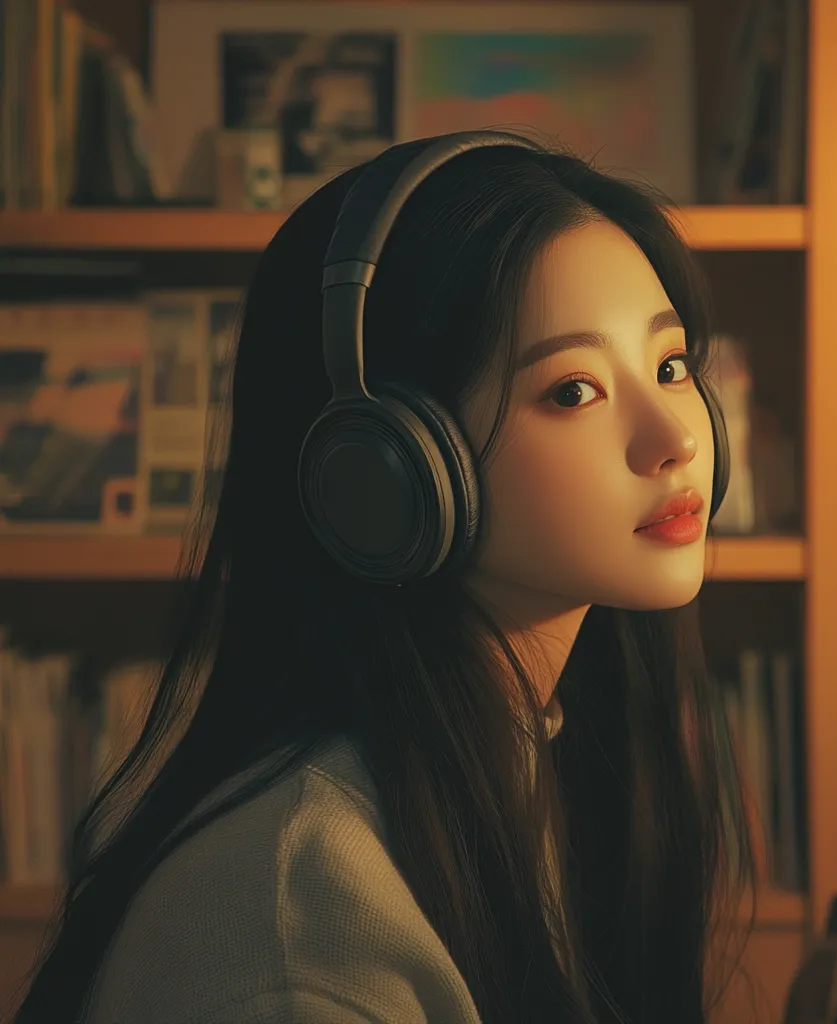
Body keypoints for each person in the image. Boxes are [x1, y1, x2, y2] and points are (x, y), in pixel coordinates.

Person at [9, 131, 755, 1024]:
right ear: (387, 474)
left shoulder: (521, 765)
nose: (675, 437)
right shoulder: (297, 925)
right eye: (573, 390)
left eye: (671, 367)